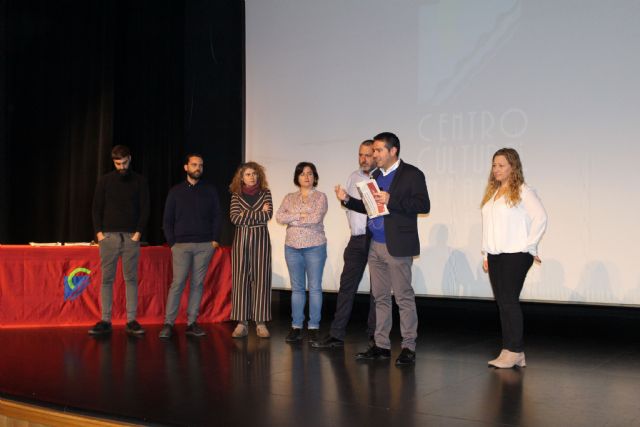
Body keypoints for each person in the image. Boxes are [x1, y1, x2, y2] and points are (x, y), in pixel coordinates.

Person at [336, 132, 430, 365]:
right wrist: (347, 200)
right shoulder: (375, 175)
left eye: (378, 150)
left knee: (403, 297)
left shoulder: (412, 174)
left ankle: (408, 346)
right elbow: (371, 208)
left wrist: (392, 200)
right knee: (379, 297)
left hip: (397, 245)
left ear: (393, 151)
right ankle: (381, 345)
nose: (374, 155)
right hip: (375, 244)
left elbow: (423, 204)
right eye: (373, 151)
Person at [481, 148, 547, 368]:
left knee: (509, 301)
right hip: (496, 254)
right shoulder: (493, 193)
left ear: (513, 167)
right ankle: (508, 349)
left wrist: (530, 246)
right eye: (494, 165)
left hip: (516, 253)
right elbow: (488, 225)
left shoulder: (523, 191)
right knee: (502, 303)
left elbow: (541, 217)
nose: (496, 169)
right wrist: (485, 252)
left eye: (501, 165)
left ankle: (516, 350)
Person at [313, 140, 377, 349]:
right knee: (346, 287)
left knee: (377, 290)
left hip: (375, 238)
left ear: (376, 155)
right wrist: (343, 199)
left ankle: (374, 335)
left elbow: (370, 208)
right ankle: (336, 334)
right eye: (360, 154)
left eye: (368, 154)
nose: (363, 159)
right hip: (356, 238)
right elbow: (349, 205)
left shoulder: (381, 178)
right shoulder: (353, 176)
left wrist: (348, 200)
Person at [158, 154, 221, 339]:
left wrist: (214, 240)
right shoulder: (175, 191)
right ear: (186, 167)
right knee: (177, 283)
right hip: (181, 245)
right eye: (194, 165)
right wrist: (172, 243)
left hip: (204, 245)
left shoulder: (210, 190)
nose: (198, 168)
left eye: (201, 165)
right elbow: (167, 220)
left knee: (197, 284)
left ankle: (192, 322)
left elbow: (217, 215)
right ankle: (168, 323)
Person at [90, 145, 150, 336]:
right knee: (107, 279)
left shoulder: (140, 181)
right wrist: (99, 234)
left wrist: (138, 233)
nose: (122, 166)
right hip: (108, 236)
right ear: (113, 162)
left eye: (124, 162)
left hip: (131, 237)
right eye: (118, 163)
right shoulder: (105, 180)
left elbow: (145, 207)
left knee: (131, 279)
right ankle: (105, 320)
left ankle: (131, 320)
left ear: (130, 159)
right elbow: (96, 208)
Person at [276, 162, 328, 344]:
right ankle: (296, 326)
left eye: (310, 173)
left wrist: (293, 218)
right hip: (292, 247)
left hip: (315, 246)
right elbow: (280, 217)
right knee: (297, 289)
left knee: (314, 288)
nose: (306, 177)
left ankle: (314, 326)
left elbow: (315, 219)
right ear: (297, 177)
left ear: (315, 177)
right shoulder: (289, 197)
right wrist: (300, 216)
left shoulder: (321, 197)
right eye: (302, 174)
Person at [229, 162, 273, 338]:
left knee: (261, 279)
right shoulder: (236, 195)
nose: (252, 177)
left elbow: (267, 215)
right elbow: (234, 218)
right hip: (241, 241)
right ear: (241, 177)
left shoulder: (266, 193)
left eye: (254, 174)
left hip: (261, 240)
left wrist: (245, 215)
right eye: (248, 174)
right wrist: (257, 214)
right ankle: (242, 323)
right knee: (240, 279)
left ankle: (260, 323)